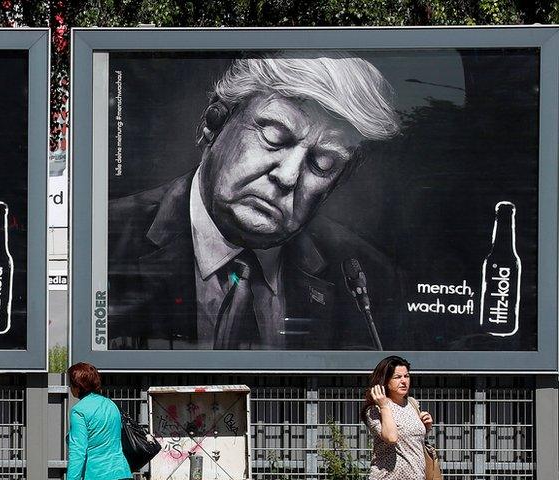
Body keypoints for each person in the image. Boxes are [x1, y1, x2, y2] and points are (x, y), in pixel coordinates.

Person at [107, 52, 404, 350]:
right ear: (214, 121)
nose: (288, 176)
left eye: (322, 164)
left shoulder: (368, 278)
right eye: (274, 137)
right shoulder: (107, 239)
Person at [64, 362, 142, 480]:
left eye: (71, 383)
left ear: (77, 385)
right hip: (118, 473)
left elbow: (78, 449)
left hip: (93, 476)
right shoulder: (111, 405)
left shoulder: (79, 411)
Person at [362, 355, 436, 480]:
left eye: (407, 376)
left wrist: (425, 426)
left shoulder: (412, 403)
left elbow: (411, 438)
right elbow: (391, 437)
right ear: (385, 381)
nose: (404, 381)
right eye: (397, 377)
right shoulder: (374, 410)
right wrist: (385, 405)